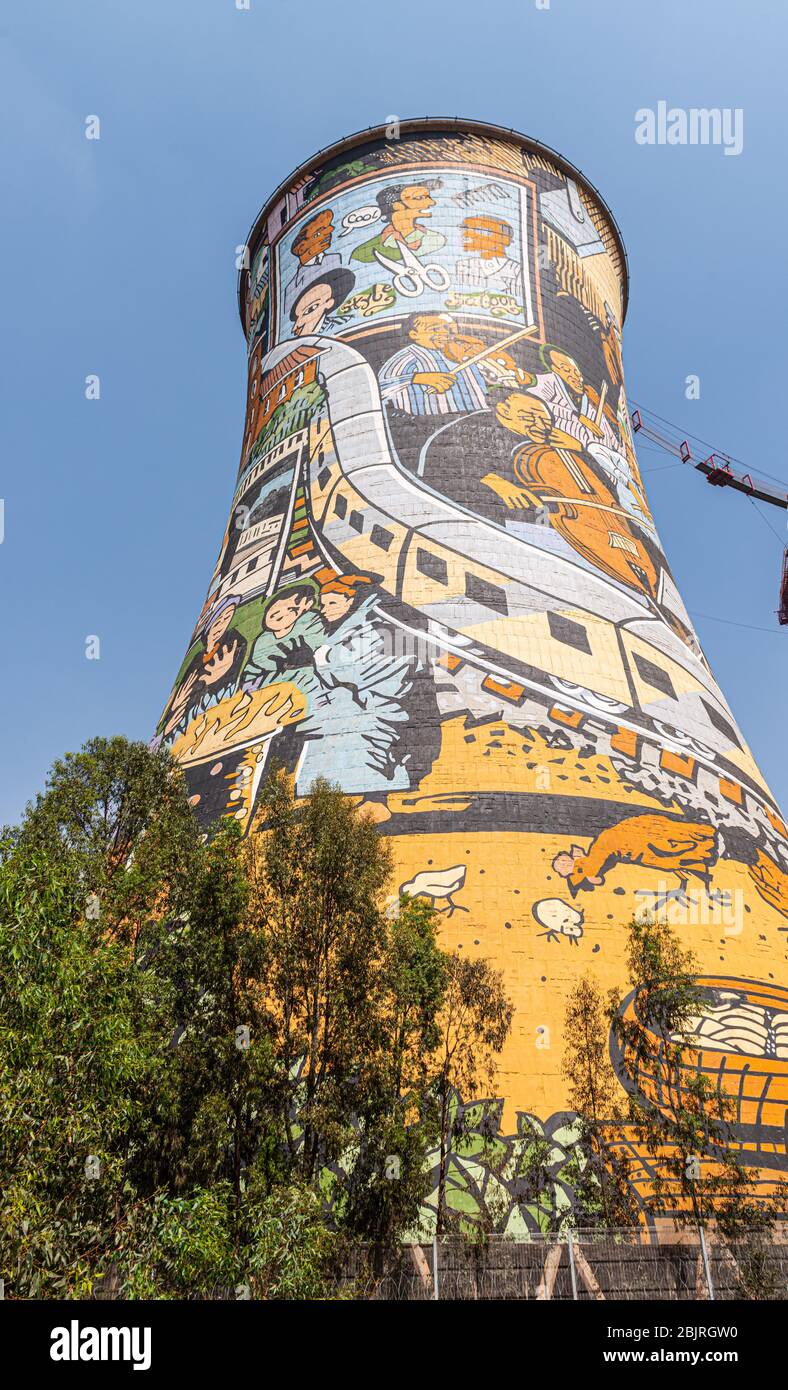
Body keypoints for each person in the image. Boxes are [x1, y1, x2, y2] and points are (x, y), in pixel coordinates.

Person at [295, 575, 440, 794]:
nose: (324, 610)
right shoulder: (350, 627)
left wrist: (324, 658)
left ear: (351, 600)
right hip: (357, 711)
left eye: (332, 603)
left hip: (381, 713)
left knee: (365, 757)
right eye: (323, 604)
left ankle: (374, 802)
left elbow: (367, 668)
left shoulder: (375, 626)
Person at [159, 595, 246, 740]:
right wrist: (175, 705)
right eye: (219, 619)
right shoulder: (196, 659)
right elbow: (182, 698)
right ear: (210, 624)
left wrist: (218, 678)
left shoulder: (233, 644)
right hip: (185, 730)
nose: (222, 625)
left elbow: (233, 688)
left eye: (227, 618)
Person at [241, 582, 323, 691]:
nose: (281, 614)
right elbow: (249, 679)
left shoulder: (311, 628)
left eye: (292, 610)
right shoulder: (261, 642)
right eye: (276, 610)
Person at [351, 181, 445, 265]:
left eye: (428, 197)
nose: (432, 202)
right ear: (398, 206)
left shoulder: (431, 235)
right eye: (420, 198)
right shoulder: (364, 254)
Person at [283, 208, 342, 319]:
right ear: (301, 248)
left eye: (327, 231)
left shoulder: (335, 259)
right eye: (318, 234)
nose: (327, 236)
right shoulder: (291, 289)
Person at [453, 215, 523, 302]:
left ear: (504, 239)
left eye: (478, 229)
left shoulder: (517, 271)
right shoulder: (463, 266)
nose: (466, 234)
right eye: (464, 229)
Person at [288, 263, 355, 337]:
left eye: (310, 309)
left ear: (329, 303)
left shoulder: (343, 323)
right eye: (298, 317)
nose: (295, 327)